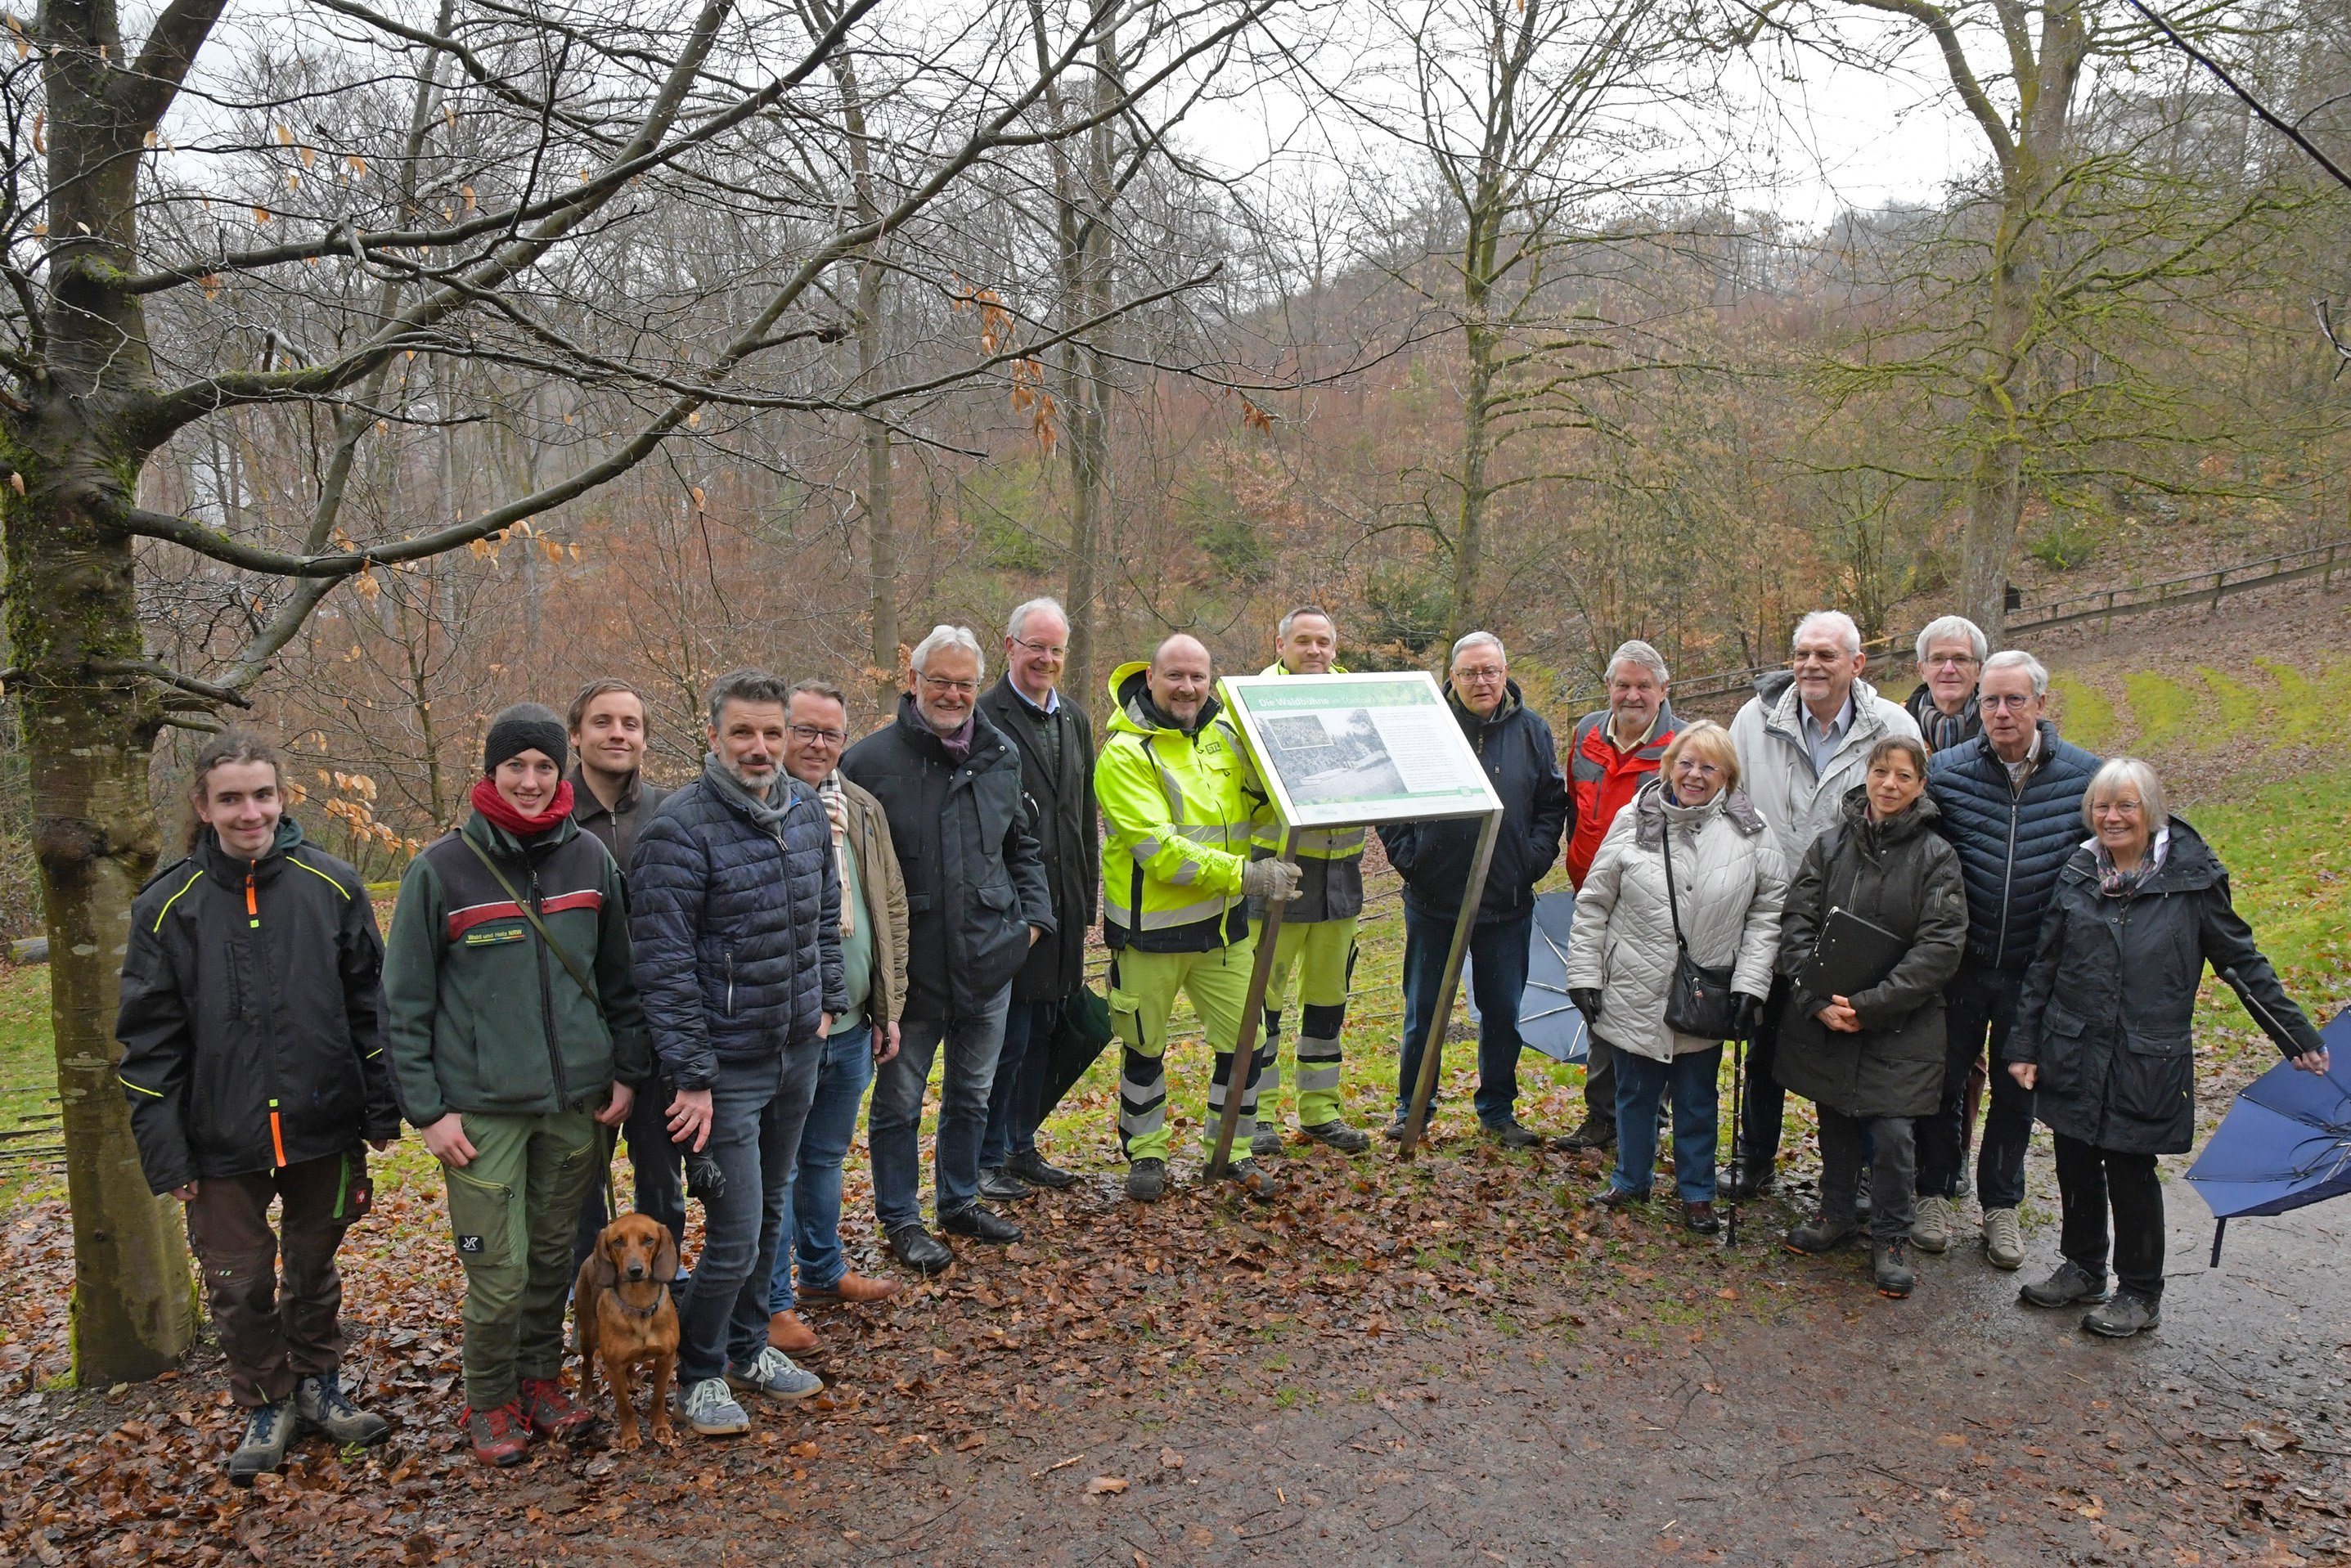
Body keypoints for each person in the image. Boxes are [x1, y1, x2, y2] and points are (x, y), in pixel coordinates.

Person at [117, 730, 400, 1485]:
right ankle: (266, 1400)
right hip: (217, 1138)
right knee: (239, 1283)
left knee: (314, 1267)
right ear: (204, 807)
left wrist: (379, 1112)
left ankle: (317, 1385)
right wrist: (166, 1150)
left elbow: (371, 1009)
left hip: (322, 1125)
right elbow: (147, 1042)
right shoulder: (166, 904)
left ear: (282, 797)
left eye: (263, 794)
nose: (251, 811)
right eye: (232, 798)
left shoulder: (332, 885)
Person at [384, 704, 651, 1466]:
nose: (532, 782)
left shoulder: (590, 862)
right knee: (497, 1274)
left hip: (576, 1109)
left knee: (548, 1263)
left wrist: (626, 1072)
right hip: (481, 1115)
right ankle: (490, 1397)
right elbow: (402, 1004)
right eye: (515, 767)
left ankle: (540, 1381)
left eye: (544, 766)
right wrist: (428, 1113)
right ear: (490, 772)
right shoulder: (440, 870)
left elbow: (620, 982)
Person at [2007, 757, 2330, 1337]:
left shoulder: (2192, 878)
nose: (2112, 817)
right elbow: (2044, 966)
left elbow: (2241, 962)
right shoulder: (2077, 872)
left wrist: (2295, 1035)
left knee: (2130, 1167)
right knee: (2075, 1157)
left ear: (2151, 810)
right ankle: (2082, 1266)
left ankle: (2140, 1291)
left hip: (2145, 1054)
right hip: (2074, 1045)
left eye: (2126, 805)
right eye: (2103, 806)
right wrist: (2025, 1044)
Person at [632, 670, 839, 1437]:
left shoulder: (808, 811)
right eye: (743, 733)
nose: (760, 748)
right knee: (736, 1229)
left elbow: (824, 916)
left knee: (774, 1208)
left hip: (795, 1051)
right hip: (721, 1075)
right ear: (712, 736)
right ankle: (700, 1372)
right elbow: (662, 965)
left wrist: (825, 1008)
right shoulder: (678, 830)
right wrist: (691, 1077)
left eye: (772, 733)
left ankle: (750, 1347)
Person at [842, 626, 1054, 1271]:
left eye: (965, 683)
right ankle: (902, 1219)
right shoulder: (869, 762)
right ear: (914, 682)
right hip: (912, 971)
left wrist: (1033, 924)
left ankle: (959, 1199)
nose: (954, 694)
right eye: (941, 681)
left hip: (991, 959)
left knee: (972, 1092)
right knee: (900, 1102)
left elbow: (1023, 847)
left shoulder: (999, 754)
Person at [1096, 633, 1299, 1202]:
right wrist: (1250, 877)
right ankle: (1147, 1152)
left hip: (1222, 931)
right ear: (1152, 678)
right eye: (1175, 676)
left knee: (1246, 1041)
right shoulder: (1126, 752)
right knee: (1144, 1046)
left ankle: (1230, 1149)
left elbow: (1258, 802)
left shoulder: (1227, 738)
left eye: (1198, 677)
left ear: (1211, 680)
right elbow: (1159, 850)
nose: (1187, 687)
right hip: (1150, 934)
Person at [1725, 610, 1920, 1197]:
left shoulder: (1891, 724)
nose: (1811, 665)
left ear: (1857, 664)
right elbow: (1730, 799)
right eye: (1802, 653)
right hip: (1767, 913)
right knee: (1762, 1047)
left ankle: (1856, 1174)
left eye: (1826, 655)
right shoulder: (1752, 721)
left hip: (1852, 923)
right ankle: (1753, 1159)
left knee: (1850, 1050)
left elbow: (1907, 813)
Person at [1917, 649, 2100, 1270]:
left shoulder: (2084, 778)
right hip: (1961, 962)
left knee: (2017, 1087)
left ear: (2041, 705)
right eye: (1990, 700)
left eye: (2014, 699)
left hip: (2034, 968)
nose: (2000, 712)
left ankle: (2001, 1204)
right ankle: (1934, 1192)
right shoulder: (1946, 771)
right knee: (1943, 1081)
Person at [1562, 721, 1782, 1233]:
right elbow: (1594, 905)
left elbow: (1768, 911)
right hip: (1635, 983)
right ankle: (1630, 1177)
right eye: (1686, 763)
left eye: (1709, 766)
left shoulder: (1752, 830)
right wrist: (1584, 975)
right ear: (1669, 766)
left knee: (1697, 1099)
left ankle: (1698, 1193)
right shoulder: (1632, 819)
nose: (1695, 775)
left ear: (1727, 774)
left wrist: (1752, 984)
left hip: (1707, 989)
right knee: (1634, 1092)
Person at [1773, 736, 1967, 1297]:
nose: (1889, 784)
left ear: (1919, 786)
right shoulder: (1830, 846)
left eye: (1903, 776)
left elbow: (1941, 946)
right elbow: (1797, 921)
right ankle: (1835, 1213)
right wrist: (1816, 1000)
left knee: (1892, 1135)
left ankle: (1890, 1237)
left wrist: (1872, 1004)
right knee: (1835, 1117)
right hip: (1829, 1013)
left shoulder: (1937, 857)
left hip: (1901, 1022)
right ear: (1867, 776)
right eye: (1881, 772)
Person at [1378, 632, 1571, 1148]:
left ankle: (1498, 1110)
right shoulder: (1425, 729)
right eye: (1470, 673)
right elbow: (1390, 800)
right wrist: (1410, 861)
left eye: (1490, 671)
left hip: (1505, 902)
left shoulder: (1532, 731)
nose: (1481, 681)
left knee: (1503, 1011)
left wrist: (1531, 862)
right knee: (1424, 1011)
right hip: (1434, 900)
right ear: (1453, 678)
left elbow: (1553, 803)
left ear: (1505, 673)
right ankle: (1412, 1107)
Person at [763, 680, 908, 1358]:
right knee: (776, 1170)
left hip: (853, 1024)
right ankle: (772, 1302)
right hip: (788, 1032)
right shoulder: (760, 810)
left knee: (823, 1157)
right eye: (805, 730)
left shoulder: (863, 810)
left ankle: (823, 1272)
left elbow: (889, 910)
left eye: (830, 733)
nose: (818, 745)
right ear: (779, 731)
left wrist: (887, 1005)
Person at [977, 599, 1099, 1197]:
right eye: (1035, 647)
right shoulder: (981, 718)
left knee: (1046, 1031)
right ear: (1009, 646)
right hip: (1011, 913)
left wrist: (1087, 902)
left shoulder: (1074, 719)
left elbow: (1081, 817)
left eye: (1055, 649)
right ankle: (986, 1153)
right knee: (1007, 1039)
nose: (1045, 658)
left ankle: (1021, 1144)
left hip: (1065, 908)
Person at [564, 679, 684, 1274]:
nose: (618, 733)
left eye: (630, 723)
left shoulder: (671, 811)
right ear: (576, 735)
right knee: (581, 1182)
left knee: (663, 1177)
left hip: (662, 1028)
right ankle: (586, 1294)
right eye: (603, 722)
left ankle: (663, 1287)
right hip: (579, 1031)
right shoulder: (552, 817)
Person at [1245, 605, 1373, 1158]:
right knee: (1262, 1002)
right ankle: (1259, 1115)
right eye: (1303, 641)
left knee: (1328, 1001)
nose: (1315, 651)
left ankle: (1321, 1112)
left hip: (1341, 876)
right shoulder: (1252, 702)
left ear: (1335, 647)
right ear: (1280, 645)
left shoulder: (1358, 702)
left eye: (1323, 641)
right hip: (1280, 873)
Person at [1558, 639, 1685, 1153]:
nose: (1633, 696)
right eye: (1623, 685)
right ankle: (1600, 1115)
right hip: (1591, 894)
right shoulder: (1587, 732)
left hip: (1652, 904)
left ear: (1663, 690)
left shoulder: (1682, 746)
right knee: (1596, 1002)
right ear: (1609, 687)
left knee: (1648, 1011)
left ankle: (1648, 1115)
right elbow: (1572, 806)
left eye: (1644, 687)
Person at [1904, 615, 1987, 754]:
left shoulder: (2001, 727)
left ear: (1979, 670)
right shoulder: (1894, 723)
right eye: (1938, 659)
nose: (1948, 669)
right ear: (1922, 670)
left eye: (1961, 659)